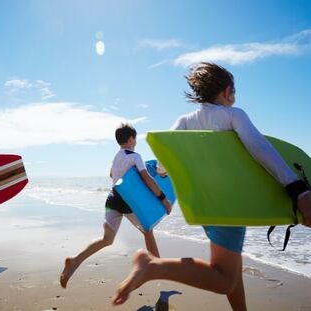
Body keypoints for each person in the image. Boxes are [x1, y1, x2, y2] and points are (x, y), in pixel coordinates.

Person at [112, 63, 311, 310]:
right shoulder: (232, 114)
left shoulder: (183, 121)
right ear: (227, 91)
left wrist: (165, 168)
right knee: (224, 279)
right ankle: (152, 266)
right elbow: (259, 148)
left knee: (230, 266)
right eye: (234, 92)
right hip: (231, 206)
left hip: (204, 208)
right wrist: (297, 189)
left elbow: (164, 166)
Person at [60, 123, 172, 288]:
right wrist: (163, 199)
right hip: (127, 202)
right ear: (130, 139)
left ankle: (75, 260)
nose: (136, 141)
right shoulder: (135, 156)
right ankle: (158, 269)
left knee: (107, 239)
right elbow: (147, 178)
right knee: (148, 230)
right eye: (135, 138)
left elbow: (112, 174)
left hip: (113, 199)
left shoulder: (117, 157)